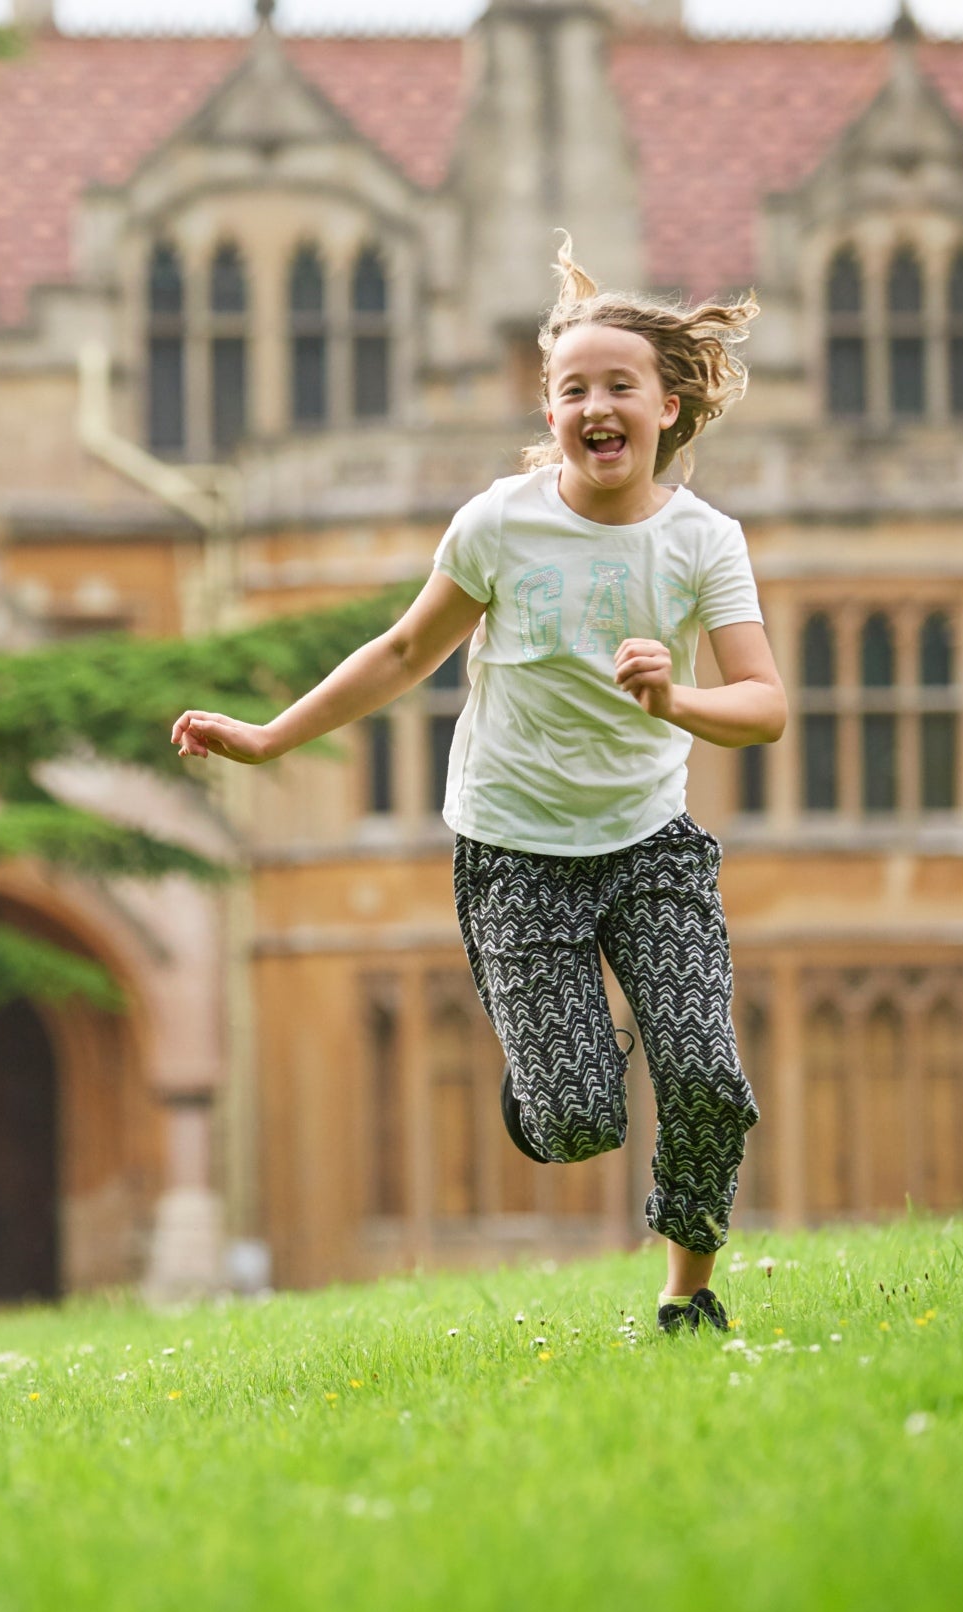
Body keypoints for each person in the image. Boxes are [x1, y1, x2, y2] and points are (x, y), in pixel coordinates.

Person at [172, 243, 785, 1334]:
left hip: (652, 845)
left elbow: (764, 704)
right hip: (515, 853)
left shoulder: (703, 543)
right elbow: (405, 653)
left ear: (670, 402)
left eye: (618, 387)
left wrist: (676, 702)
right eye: (571, 390)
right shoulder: (500, 523)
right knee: (576, 1121)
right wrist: (268, 740)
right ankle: (544, 1076)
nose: (594, 406)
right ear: (549, 413)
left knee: (704, 1078)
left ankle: (687, 1298)